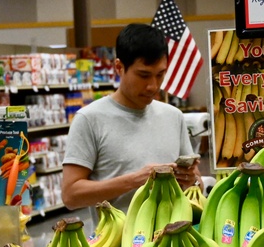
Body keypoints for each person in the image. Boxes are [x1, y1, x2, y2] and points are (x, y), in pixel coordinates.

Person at [62, 24, 201, 212]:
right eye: (143, 75)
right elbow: (71, 195)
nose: (153, 86)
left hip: (173, 237)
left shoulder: (173, 116)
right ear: (119, 67)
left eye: (160, 75)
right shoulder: (89, 119)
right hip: (118, 240)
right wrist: (135, 180)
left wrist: (192, 180)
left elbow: (195, 185)